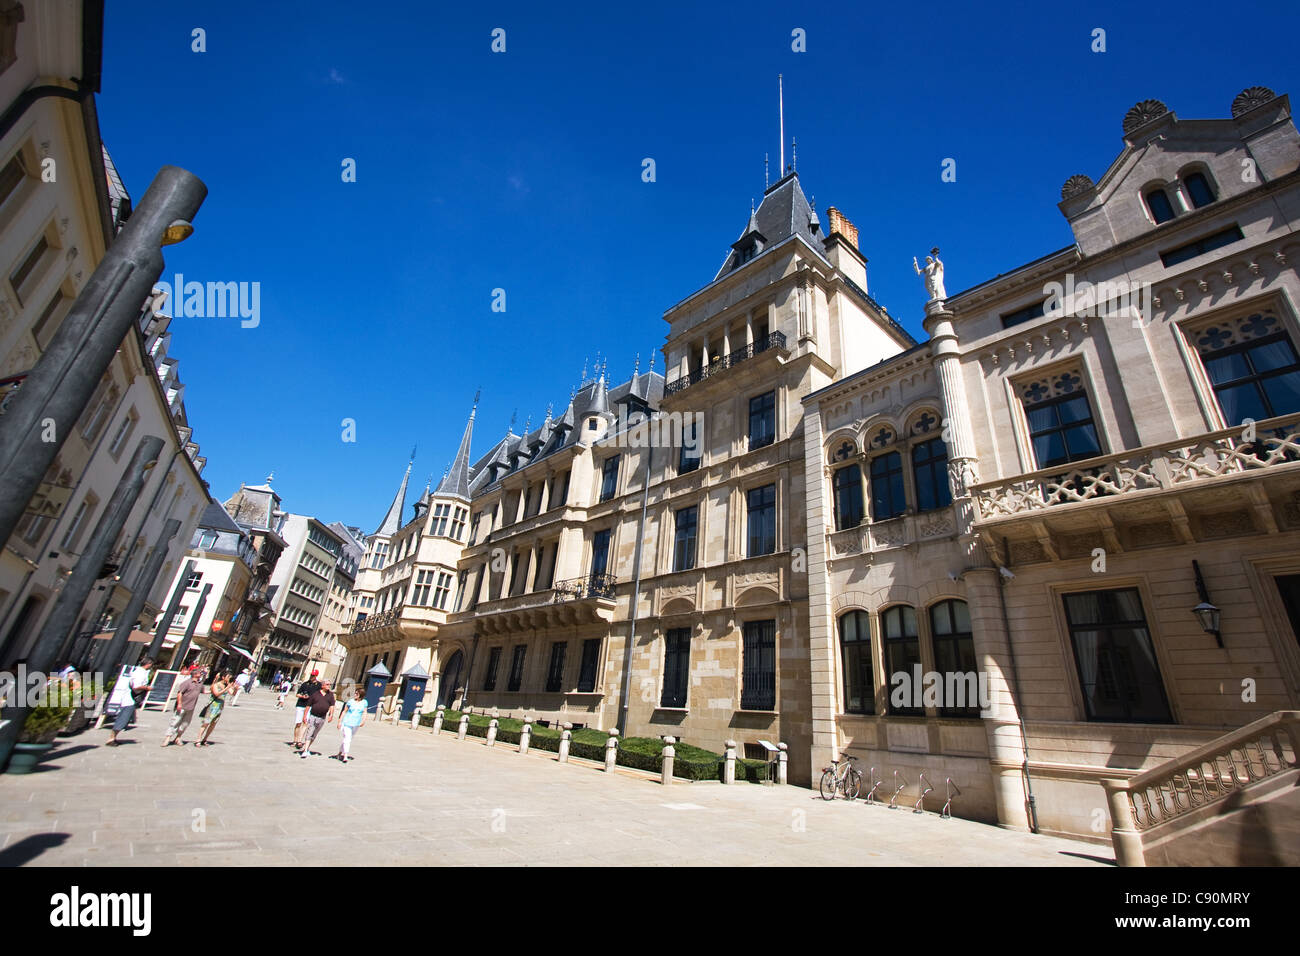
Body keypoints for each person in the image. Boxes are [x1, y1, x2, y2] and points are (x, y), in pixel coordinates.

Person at [106, 657, 153, 746]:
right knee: (123, 718)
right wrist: (147, 687)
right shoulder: (140, 673)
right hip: (130, 698)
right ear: (149, 664)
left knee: (124, 718)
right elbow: (136, 686)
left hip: (129, 697)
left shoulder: (137, 670)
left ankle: (113, 737)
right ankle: (111, 738)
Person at [162, 665, 203, 746]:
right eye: (199, 673)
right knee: (175, 721)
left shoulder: (200, 683)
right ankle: (167, 738)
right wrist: (179, 704)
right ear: (194, 674)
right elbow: (179, 693)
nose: (201, 674)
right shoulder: (187, 682)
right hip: (183, 705)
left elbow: (203, 691)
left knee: (185, 724)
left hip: (191, 707)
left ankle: (178, 738)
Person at [297, 679, 335, 758]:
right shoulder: (315, 694)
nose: (329, 686)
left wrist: (331, 714)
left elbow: (332, 705)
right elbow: (308, 705)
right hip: (313, 716)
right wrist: (305, 716)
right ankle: (305, 750)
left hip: (322, 717)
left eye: (329, 684)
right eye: (327, 684)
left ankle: (307, 748)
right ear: (323, 685)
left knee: (314, 734)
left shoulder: (330, 695)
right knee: (310, 731)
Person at [195, 671, 233, 746]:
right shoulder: (216, 685)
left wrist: (236, 688)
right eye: (228, 677)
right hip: (212, 706)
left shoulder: (227, 686)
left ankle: (205, 739)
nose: (229, 679)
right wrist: (227, 688)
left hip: (219, 708)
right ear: (223, 677)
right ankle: (198, 739)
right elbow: (216, 694)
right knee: (206, 723)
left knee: (213, 724)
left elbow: (232, 693)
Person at [336, 687, 367, 762]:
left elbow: (364, 712)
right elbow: (344, 711)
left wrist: (363, 720)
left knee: (349, 738)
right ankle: (345, 755)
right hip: (347, 722)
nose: (355, 695)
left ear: (361, 695)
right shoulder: (350, 701)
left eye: (357, 693)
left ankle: (340, 752)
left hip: (356, 723)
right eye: (355, 693)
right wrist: (339, 721)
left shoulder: (364, 702)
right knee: (347, 738)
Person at [292, 670, 322, 746]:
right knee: (298, 723)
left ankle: (299, 741)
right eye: (311, 675)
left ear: (316, 676)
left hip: (310, 706)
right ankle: (295, 740)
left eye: (313, 675)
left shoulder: (318, 685)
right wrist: (302, 696)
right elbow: (297, 694)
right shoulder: (305, 684)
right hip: (301, 704)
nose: (311, 676)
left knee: (305, 723)